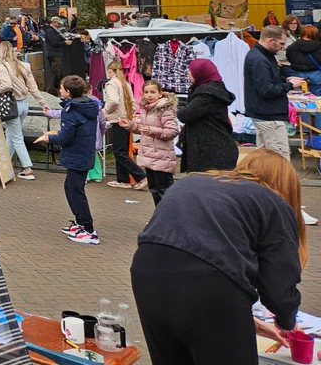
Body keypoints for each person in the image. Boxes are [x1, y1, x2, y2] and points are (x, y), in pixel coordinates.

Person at [130, 148, 305, 363]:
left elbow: (184, 271)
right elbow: (280, 277)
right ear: (286, 185)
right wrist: (287, 320)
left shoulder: (192, 181)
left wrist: (242, 319)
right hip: (208, 282)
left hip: (147, 275)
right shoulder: (273, 201)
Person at [35, 75, 100, 245]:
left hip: (77, 155)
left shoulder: (72, 111)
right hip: (83, 153)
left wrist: (50, 138)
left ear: (68, 93)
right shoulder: (87, 106)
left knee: (76, 191)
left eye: (62, 88)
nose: (59, 90)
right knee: (70, 187)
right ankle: (80, 222)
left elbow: (66, 137)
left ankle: (89, 229)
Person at [245, 25, 304, 161]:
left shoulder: (263, 55)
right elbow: (267, 90)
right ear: (271, 40)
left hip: (263, 114)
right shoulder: (259, 59)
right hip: (269, 117)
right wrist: (289, 85)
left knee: (264, 160)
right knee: (280, 162)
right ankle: (280, 183)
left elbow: (267, 81)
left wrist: (285, 79)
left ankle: (265, 182)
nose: (283, 47)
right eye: (282, 44)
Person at [121, 81, 178, 205]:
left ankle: (170, 220)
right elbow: (142, 128)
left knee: (165, 190)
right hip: (148, 155)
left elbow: (172, 131)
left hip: (162, 156)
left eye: (153, 92)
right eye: (146, 92)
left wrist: (151, 130)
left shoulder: (165, 108)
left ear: (160, 93)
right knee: (154, 190)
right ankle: (159, 218)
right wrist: (130, 125)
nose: (149, 95)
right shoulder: (145, 109)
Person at [178, 59, 239, 173]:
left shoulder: (208, 94)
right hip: (212, 149)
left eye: (191, 71)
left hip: (213, 152)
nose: (188, 73)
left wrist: (174, 107)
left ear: (200, 73)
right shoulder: (210, 90)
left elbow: (185, 115)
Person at [0, 43, 39, 180]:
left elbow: (6, 85)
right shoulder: (23, 65)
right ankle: (4, 162)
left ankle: (27, 168)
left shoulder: (2, 67)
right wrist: (43, 104)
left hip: (12, 105)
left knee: (16, 137)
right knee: (11, 134)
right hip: (24, 103)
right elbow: (33, 87)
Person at [103, 60, 146, 190]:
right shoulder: (125, 84)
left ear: (110, 70)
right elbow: (133, 103)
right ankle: (123, 179)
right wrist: (129, 114)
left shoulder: (111, 84)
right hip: (127, 120)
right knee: (123, 151)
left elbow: (114, 101)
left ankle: (141, 175)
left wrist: (104, 112)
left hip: (117, 120)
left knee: (119, 151)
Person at [286, 24, 321, 89]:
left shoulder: (292, 47)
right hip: (316, 74)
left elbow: (289, 58)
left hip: (298, 75)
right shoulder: (318, 46)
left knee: (301, 95)